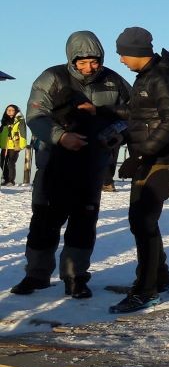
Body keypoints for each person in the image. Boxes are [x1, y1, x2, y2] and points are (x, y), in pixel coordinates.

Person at [10, 32, 131, 299]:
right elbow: (35, 115)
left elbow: (133, 115)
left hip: (92, 165)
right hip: (54, 162)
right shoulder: (51, 78)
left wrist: (114, 134)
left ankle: (75, 277)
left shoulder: (114, 82)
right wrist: (61, 137)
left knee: (83, 222)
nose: (90, 68)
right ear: (71, 59)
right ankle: (36, 275)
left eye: (95, 62)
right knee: (44, 220)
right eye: (83, 63)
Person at [110, 27, 169, 313]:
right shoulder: (146, 77)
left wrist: (140, 154)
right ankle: (161, 277)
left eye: (122, 54)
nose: (120, 60)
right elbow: (140, 114)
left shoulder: (163, 79)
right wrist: (103, 113)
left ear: (136, 52)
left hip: (162, 160)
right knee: (141, 221)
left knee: (143, 221)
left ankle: (145, 290)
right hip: (148, 158)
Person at [1, 103, 27, 186]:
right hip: (5, 145)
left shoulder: (20, 121)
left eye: (12, 110)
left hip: (15, 145)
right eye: (8, 110)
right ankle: (6, 179)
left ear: (16, 111)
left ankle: (10, 181)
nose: (10, 111)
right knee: (2, 162)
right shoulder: (4, 121)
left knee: (11, 163)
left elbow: (23, 133)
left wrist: (21, 145)